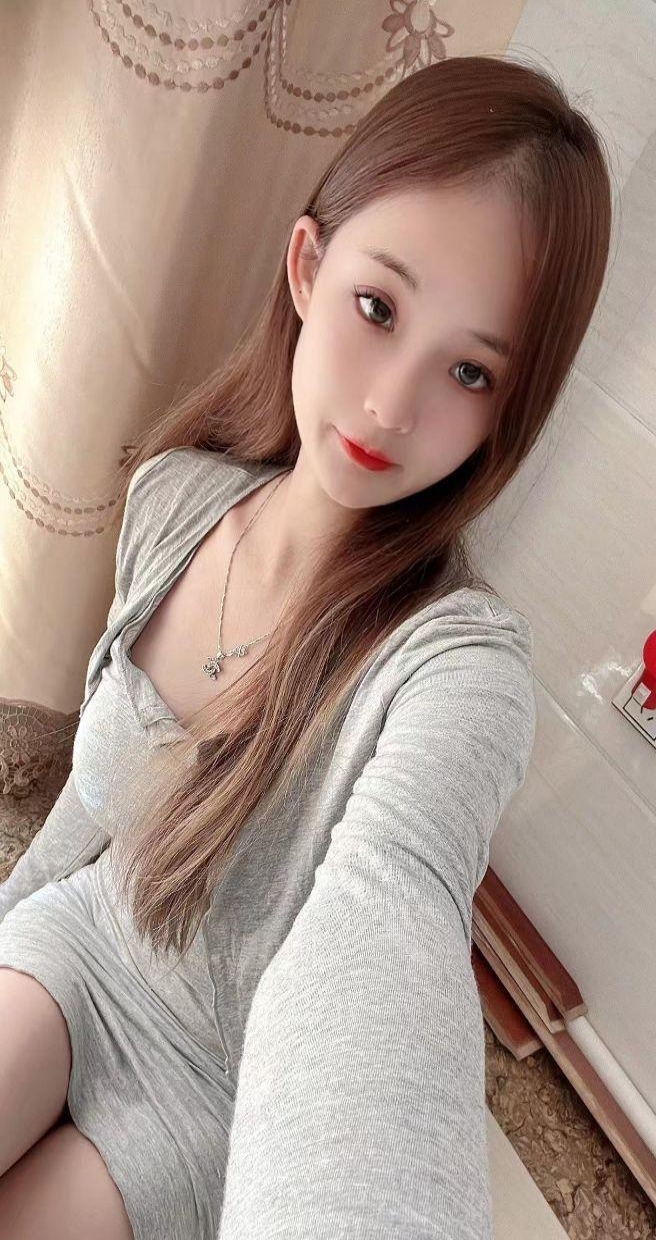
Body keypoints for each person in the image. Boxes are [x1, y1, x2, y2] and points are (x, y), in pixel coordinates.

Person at [0, 52, 612, 1240]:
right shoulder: (175, 500)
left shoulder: (454, 667)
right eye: (378, 308)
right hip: (82, 942)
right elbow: (91, 810)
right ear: (307, 266)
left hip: (214, 1093)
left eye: (469, 370)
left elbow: (389, 918)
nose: (389, 404)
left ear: (509, 408)